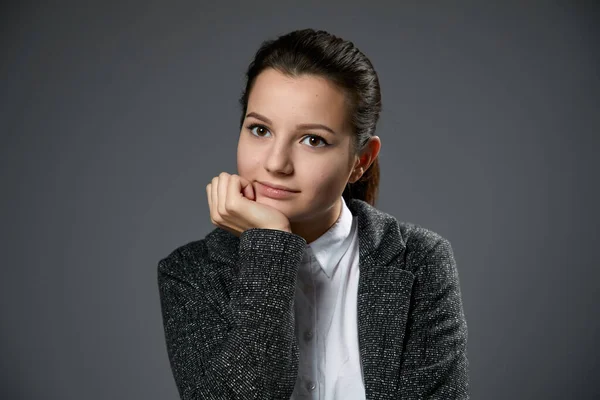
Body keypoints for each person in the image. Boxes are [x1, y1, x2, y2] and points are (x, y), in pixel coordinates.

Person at [157, 28, 469, 399]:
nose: (276, 163)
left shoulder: (420, 260)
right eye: (260, 129)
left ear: (361, 161)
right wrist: (271, 245)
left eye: (313, 140)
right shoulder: (191, 272)